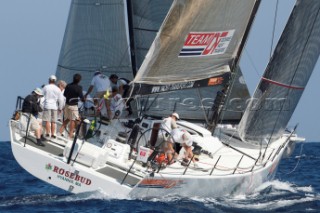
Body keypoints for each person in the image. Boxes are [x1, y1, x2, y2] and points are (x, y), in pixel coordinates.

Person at [59, 73, 85, 139]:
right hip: (73, 106)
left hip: (67, 105)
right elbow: (81, 97)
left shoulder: (68, 86)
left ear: (73, 78)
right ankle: (70, 136)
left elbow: (64, 94)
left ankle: (60, 132)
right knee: (73, 120)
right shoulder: (79, 87)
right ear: (79, 80)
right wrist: (84, 99)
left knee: (67, 119)